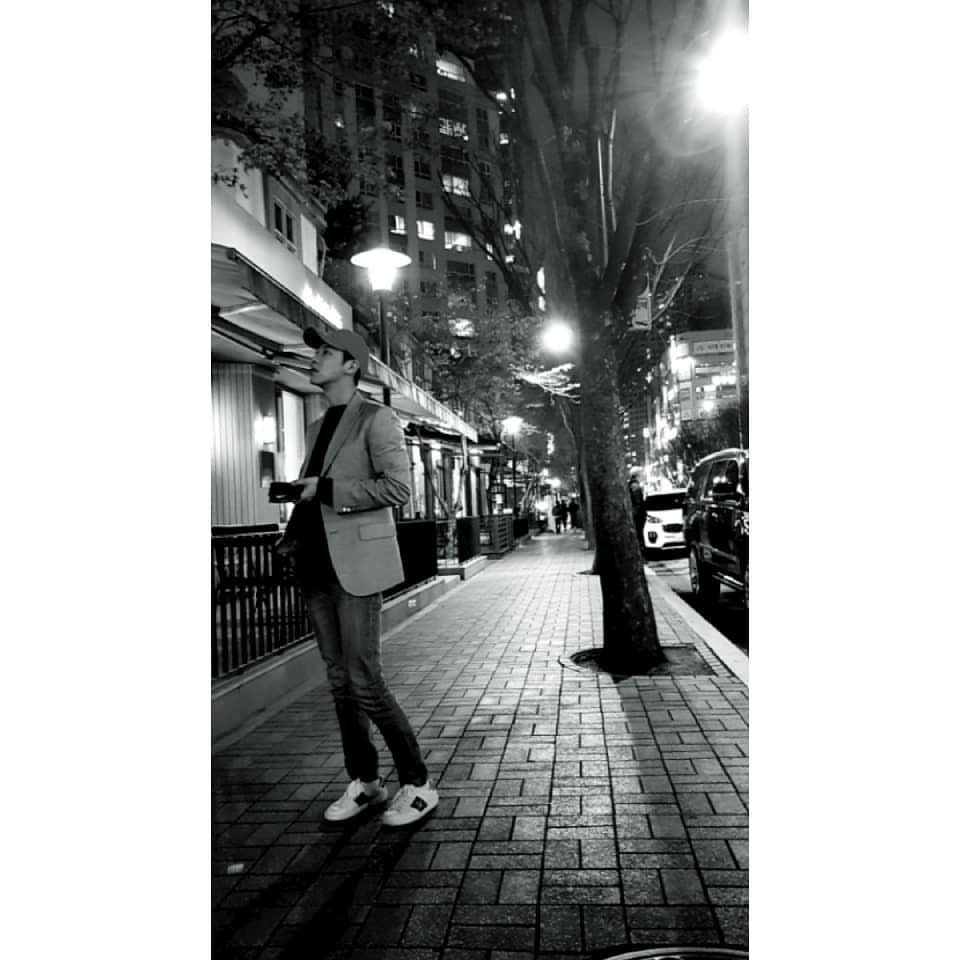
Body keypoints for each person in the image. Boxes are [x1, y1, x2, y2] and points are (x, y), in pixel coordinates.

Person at [275, 325, 438, 828]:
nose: (315, 358)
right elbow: (314, 493)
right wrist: (293, 531)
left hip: (356, 569)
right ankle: (366, 781)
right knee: (340, 682)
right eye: (316, 351)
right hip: (316, 565)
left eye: (326, 352)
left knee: (365, 680)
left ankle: (418, 783)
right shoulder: (315, 426)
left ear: (351, 365)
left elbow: (397, 489)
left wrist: (325, 489)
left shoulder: (377, 417)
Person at [628, 467, 647, 552]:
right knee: (640, 534)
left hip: (637, 514)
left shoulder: (633, 485)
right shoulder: (635, 486)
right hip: (638, 515)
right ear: (637, 475)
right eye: (642, 473)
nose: (643, 475)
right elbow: (638, 503)